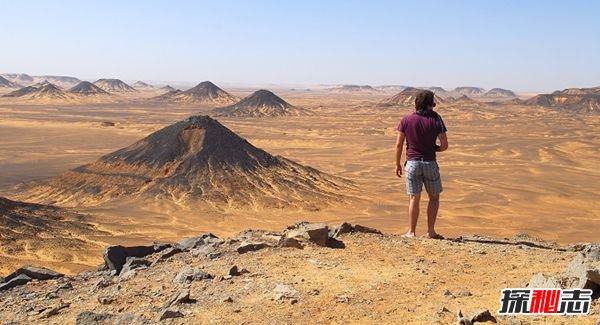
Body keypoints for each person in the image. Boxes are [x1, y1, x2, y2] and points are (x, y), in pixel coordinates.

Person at [395, 90, 448, 239]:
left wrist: (397, 164)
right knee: (434, 198)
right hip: (430, 162)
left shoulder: (406, 120)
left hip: (411, 163)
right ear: (431, 104)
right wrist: (434, 148)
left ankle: (411, 232)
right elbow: (444, 144)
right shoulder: (436, 119)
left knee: (414, 198)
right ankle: (431, 232)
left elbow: (399, 144)